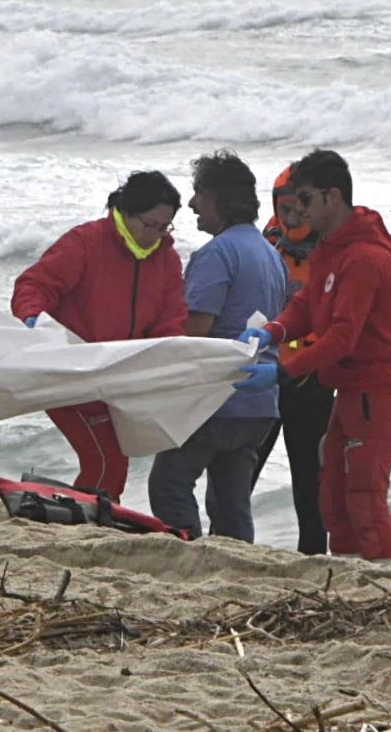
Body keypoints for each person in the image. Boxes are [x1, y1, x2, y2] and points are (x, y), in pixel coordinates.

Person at [236, 149, 391, 561]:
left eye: (307, 201)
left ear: (332, 197)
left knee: (366, 498)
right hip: (348, 388)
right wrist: (274, 330)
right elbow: (310, 302)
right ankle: (350, 575)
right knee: (332, 497)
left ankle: (385, 579)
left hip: (377, 389)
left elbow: (342, 336)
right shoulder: (331, 247)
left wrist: (282, 371)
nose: (298, 212)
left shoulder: (366, 257)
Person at [11, 171, 187, 500]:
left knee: (112, 461)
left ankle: (89, 516)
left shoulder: (166, 260)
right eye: (151, 225)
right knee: (107, 460)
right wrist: (35, 319)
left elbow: (170, 321)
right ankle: (89, 525)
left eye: (166, 227)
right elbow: (33, 285)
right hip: (68, 374)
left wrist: (166, 361)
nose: (158, 235)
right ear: (127, 212)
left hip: (118, 380)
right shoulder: (87, 242)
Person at [147, 151, 287, 542]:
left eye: (197, 194)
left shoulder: (217, 253)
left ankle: (185, 554)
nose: (191, 204)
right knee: (231, 502)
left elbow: (197, 335)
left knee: (169, 485)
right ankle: (235, 563)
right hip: (259, 402)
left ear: (218, 198)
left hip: (216, 400)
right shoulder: (270, 254)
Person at [249, 165, 335, 555]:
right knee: (241, 473)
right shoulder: (265, 241)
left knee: (311, 481)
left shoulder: (339, 247)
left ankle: (313, 558)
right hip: (266, 374)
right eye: (286, 209)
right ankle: (229, 547)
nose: (294, 218)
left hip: (313, 379)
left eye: (303, 208)